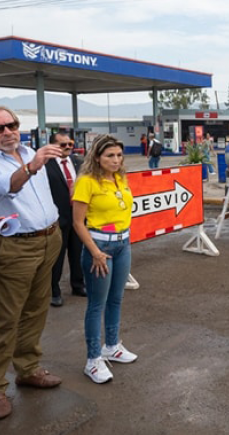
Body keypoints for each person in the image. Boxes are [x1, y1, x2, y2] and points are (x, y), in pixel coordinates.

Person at [0, 106, 64, 421]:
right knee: (7, 317)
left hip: (48, 238)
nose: (7, 132)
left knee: (36, 308)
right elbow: (4, 186)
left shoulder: (30, 151)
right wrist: (32, 166)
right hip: (11, 245)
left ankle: (28, 368)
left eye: (12, 125)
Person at [71, 135, 139, 383]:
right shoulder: (87, 182)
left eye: (119, 155)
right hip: (98, 246)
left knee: (116, 299)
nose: (116, 160)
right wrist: (95, 252)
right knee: (96, 304)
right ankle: (93, 360)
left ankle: (112, 346)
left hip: (123, 243)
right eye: (110, 155)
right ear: (97, 157)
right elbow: (78, 223)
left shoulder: (120, 178)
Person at [43, 132, 86, 307]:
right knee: (57, 257)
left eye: (70, 144)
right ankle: (54, 291)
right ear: (53, 146)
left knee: (78, 254)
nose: (68, 147)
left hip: (78, 216)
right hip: (57, 218)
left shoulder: (78, 162)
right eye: (63, 145)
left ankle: (78, 285)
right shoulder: (45, 165)